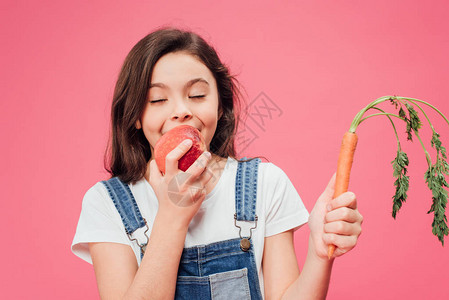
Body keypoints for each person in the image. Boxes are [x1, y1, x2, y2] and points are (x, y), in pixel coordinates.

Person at [71, 27, 363, 300]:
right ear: (135, 115)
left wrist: (318, 254)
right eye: (158, 99)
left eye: (197, 95)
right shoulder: (106, 204)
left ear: (220, 105)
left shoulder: (265, 184)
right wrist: (172, 217)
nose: (181, 111)